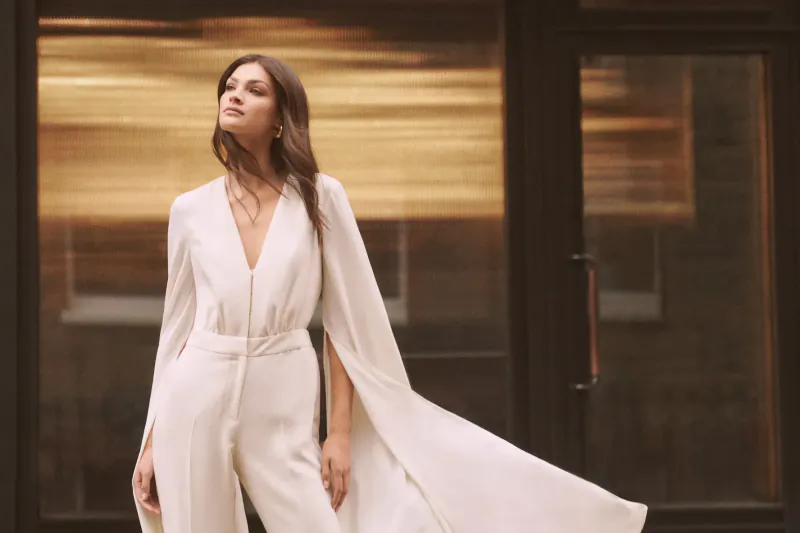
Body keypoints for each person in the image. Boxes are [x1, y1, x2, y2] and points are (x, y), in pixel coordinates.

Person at [132, 54, 647, 533]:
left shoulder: (320, 199)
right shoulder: (191, 210)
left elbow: (345, 322)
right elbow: (176, 327)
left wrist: (339, 434)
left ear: (281, 118)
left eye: (254, 89)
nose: (234, 96)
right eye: (229, 86)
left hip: (283, 386)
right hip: (197, 388)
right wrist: (154, 438)